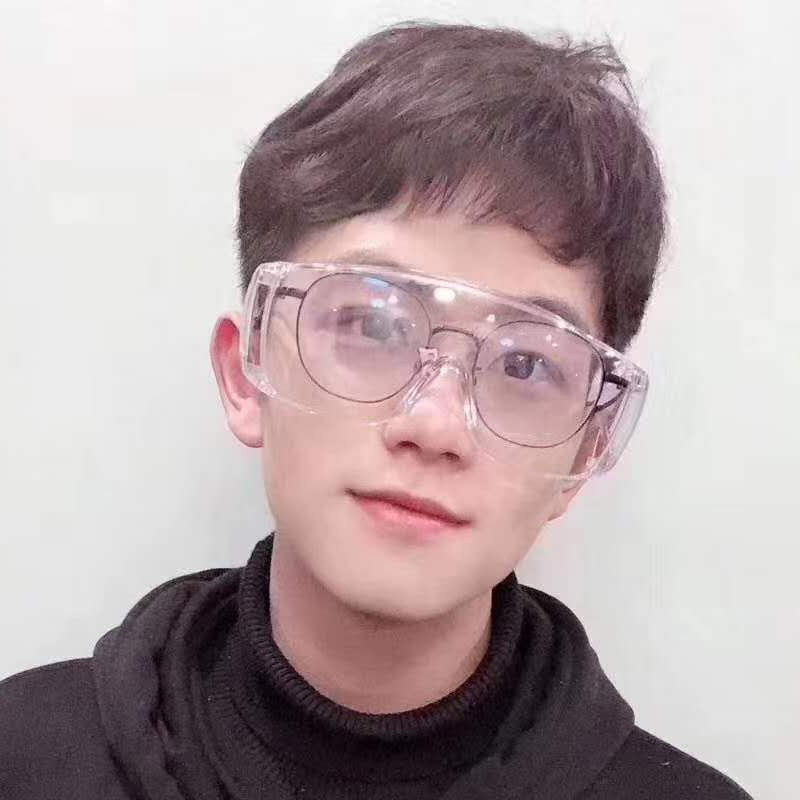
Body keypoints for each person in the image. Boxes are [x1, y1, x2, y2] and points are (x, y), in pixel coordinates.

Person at [0, 20, 753, 800]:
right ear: (245, 373)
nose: (435, 425)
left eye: (526, 364)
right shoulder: (23, 758)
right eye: (370, 325)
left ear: (586, 449)